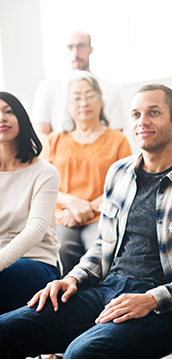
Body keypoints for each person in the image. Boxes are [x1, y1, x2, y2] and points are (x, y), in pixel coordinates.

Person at [0, 84, 172, 359]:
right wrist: (72, 277)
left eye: (153, 113)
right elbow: (102, 246)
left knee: (81, 353)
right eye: (135, 114)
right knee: (6, 331)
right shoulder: (119, 173)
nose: (142, 122)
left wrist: (152, 298)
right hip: (107, 288)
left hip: (168, 306)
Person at [41, 71, 131, 275]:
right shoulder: (54, 140)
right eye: (76, 97)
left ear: (100, 100)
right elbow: (43, 186)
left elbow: (124, 186)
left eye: (90, 95)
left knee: (99, 251)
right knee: (61, 248)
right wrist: (73, 205)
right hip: (62, 215)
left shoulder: (118, 140)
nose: (83, 102)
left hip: (103, 213)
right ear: (67, 105)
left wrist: (87, 208)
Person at [0, 92, 61, 314]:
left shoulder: (44, 172)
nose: (2, 118)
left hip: (37, 263)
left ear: (22, 120)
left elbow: (36, 228)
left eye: (9, 111)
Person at [31, 31, 126, 142]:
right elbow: (40, 133)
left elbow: (117, 136)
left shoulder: (111, 90)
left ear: (90, 49)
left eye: (81, 46)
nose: (75, 53)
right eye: (70, 47)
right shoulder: (47, 87)